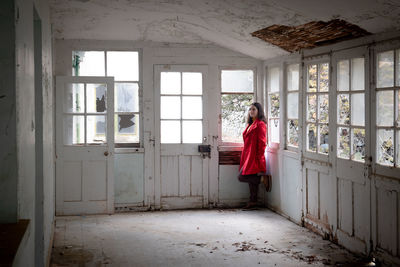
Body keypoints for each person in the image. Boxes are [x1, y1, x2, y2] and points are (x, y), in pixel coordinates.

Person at [238, 102, 268, 209]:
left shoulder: (260, 124)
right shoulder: (250, 124)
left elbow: (262, 142)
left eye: (254, 109)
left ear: (259, 111)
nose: (251, 111)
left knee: (241, 177)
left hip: (254, 156)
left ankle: (263, 179)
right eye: (250, 109)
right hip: (248, 155)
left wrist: (259, 157)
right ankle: (253, 201)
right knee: (251, 181)